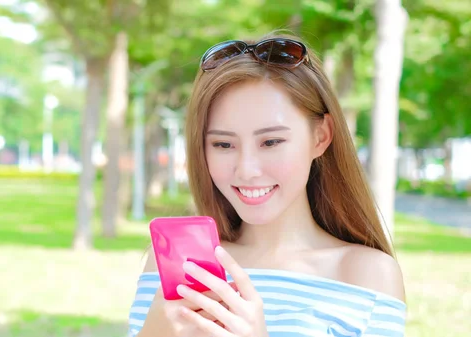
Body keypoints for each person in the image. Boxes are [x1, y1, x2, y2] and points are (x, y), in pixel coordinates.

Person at [127, 31, 407, 337]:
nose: (247, 170)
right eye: (223, 145)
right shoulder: (179, 266)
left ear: (321, 136)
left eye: (271, 141)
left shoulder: (366, 276)